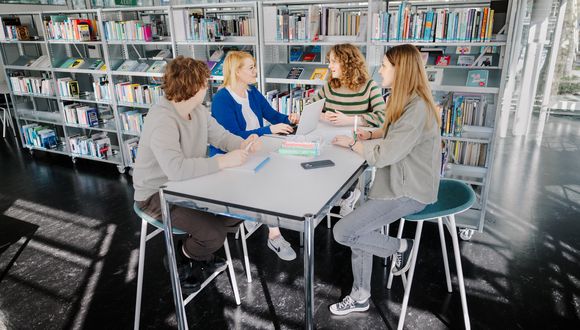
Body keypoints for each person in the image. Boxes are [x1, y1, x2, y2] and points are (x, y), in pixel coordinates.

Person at [328, 44, 442, 316]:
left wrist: (354, 143)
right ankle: (361, 295)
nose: (379, 70)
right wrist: (370, 135)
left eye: (384, 66)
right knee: (361, 227)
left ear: (400, 70)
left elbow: (385, 155)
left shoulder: (417, 109)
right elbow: (393, 133)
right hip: (395, 183)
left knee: (344, 231)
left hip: (408, 191)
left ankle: (402, 247)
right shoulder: (405, 99)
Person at [133, 56, 262, 292]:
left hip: (189, 186)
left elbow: (221, 137)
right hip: (156, 193)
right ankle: (181, 258)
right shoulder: (163, 118)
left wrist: (244, 144)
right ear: (193, 87)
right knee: (214, 235)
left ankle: (200, 248)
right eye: (204, 82)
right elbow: (176, 169)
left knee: (238, 212)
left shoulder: (198, 110)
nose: (207, 87)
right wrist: (222, 162)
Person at [210, 51, 298, 261]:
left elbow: (272, 115)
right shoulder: (222, 99)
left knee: (285, 167)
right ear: (236, 72)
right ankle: (274, 235)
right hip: (231, 155)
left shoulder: (252, 92)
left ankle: (256, 212)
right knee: (270, 178)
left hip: (256, 149)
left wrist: (290, 118)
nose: (255, 71)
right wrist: (267, 130)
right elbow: (230, 137)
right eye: (250, 68)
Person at [313, 43, 387, 216]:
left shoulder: (369, 86)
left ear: (348, 62)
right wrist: (323, 115)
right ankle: (336, 196)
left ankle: (347, 194)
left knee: (346, 165)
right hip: (329, 139)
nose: (329, 66)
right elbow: (312, 106)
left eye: (333, 62)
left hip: (354, 141)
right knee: (318, 162)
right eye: (329, 61)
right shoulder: (330, 86)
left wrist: (350, 120)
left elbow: (382, 117)